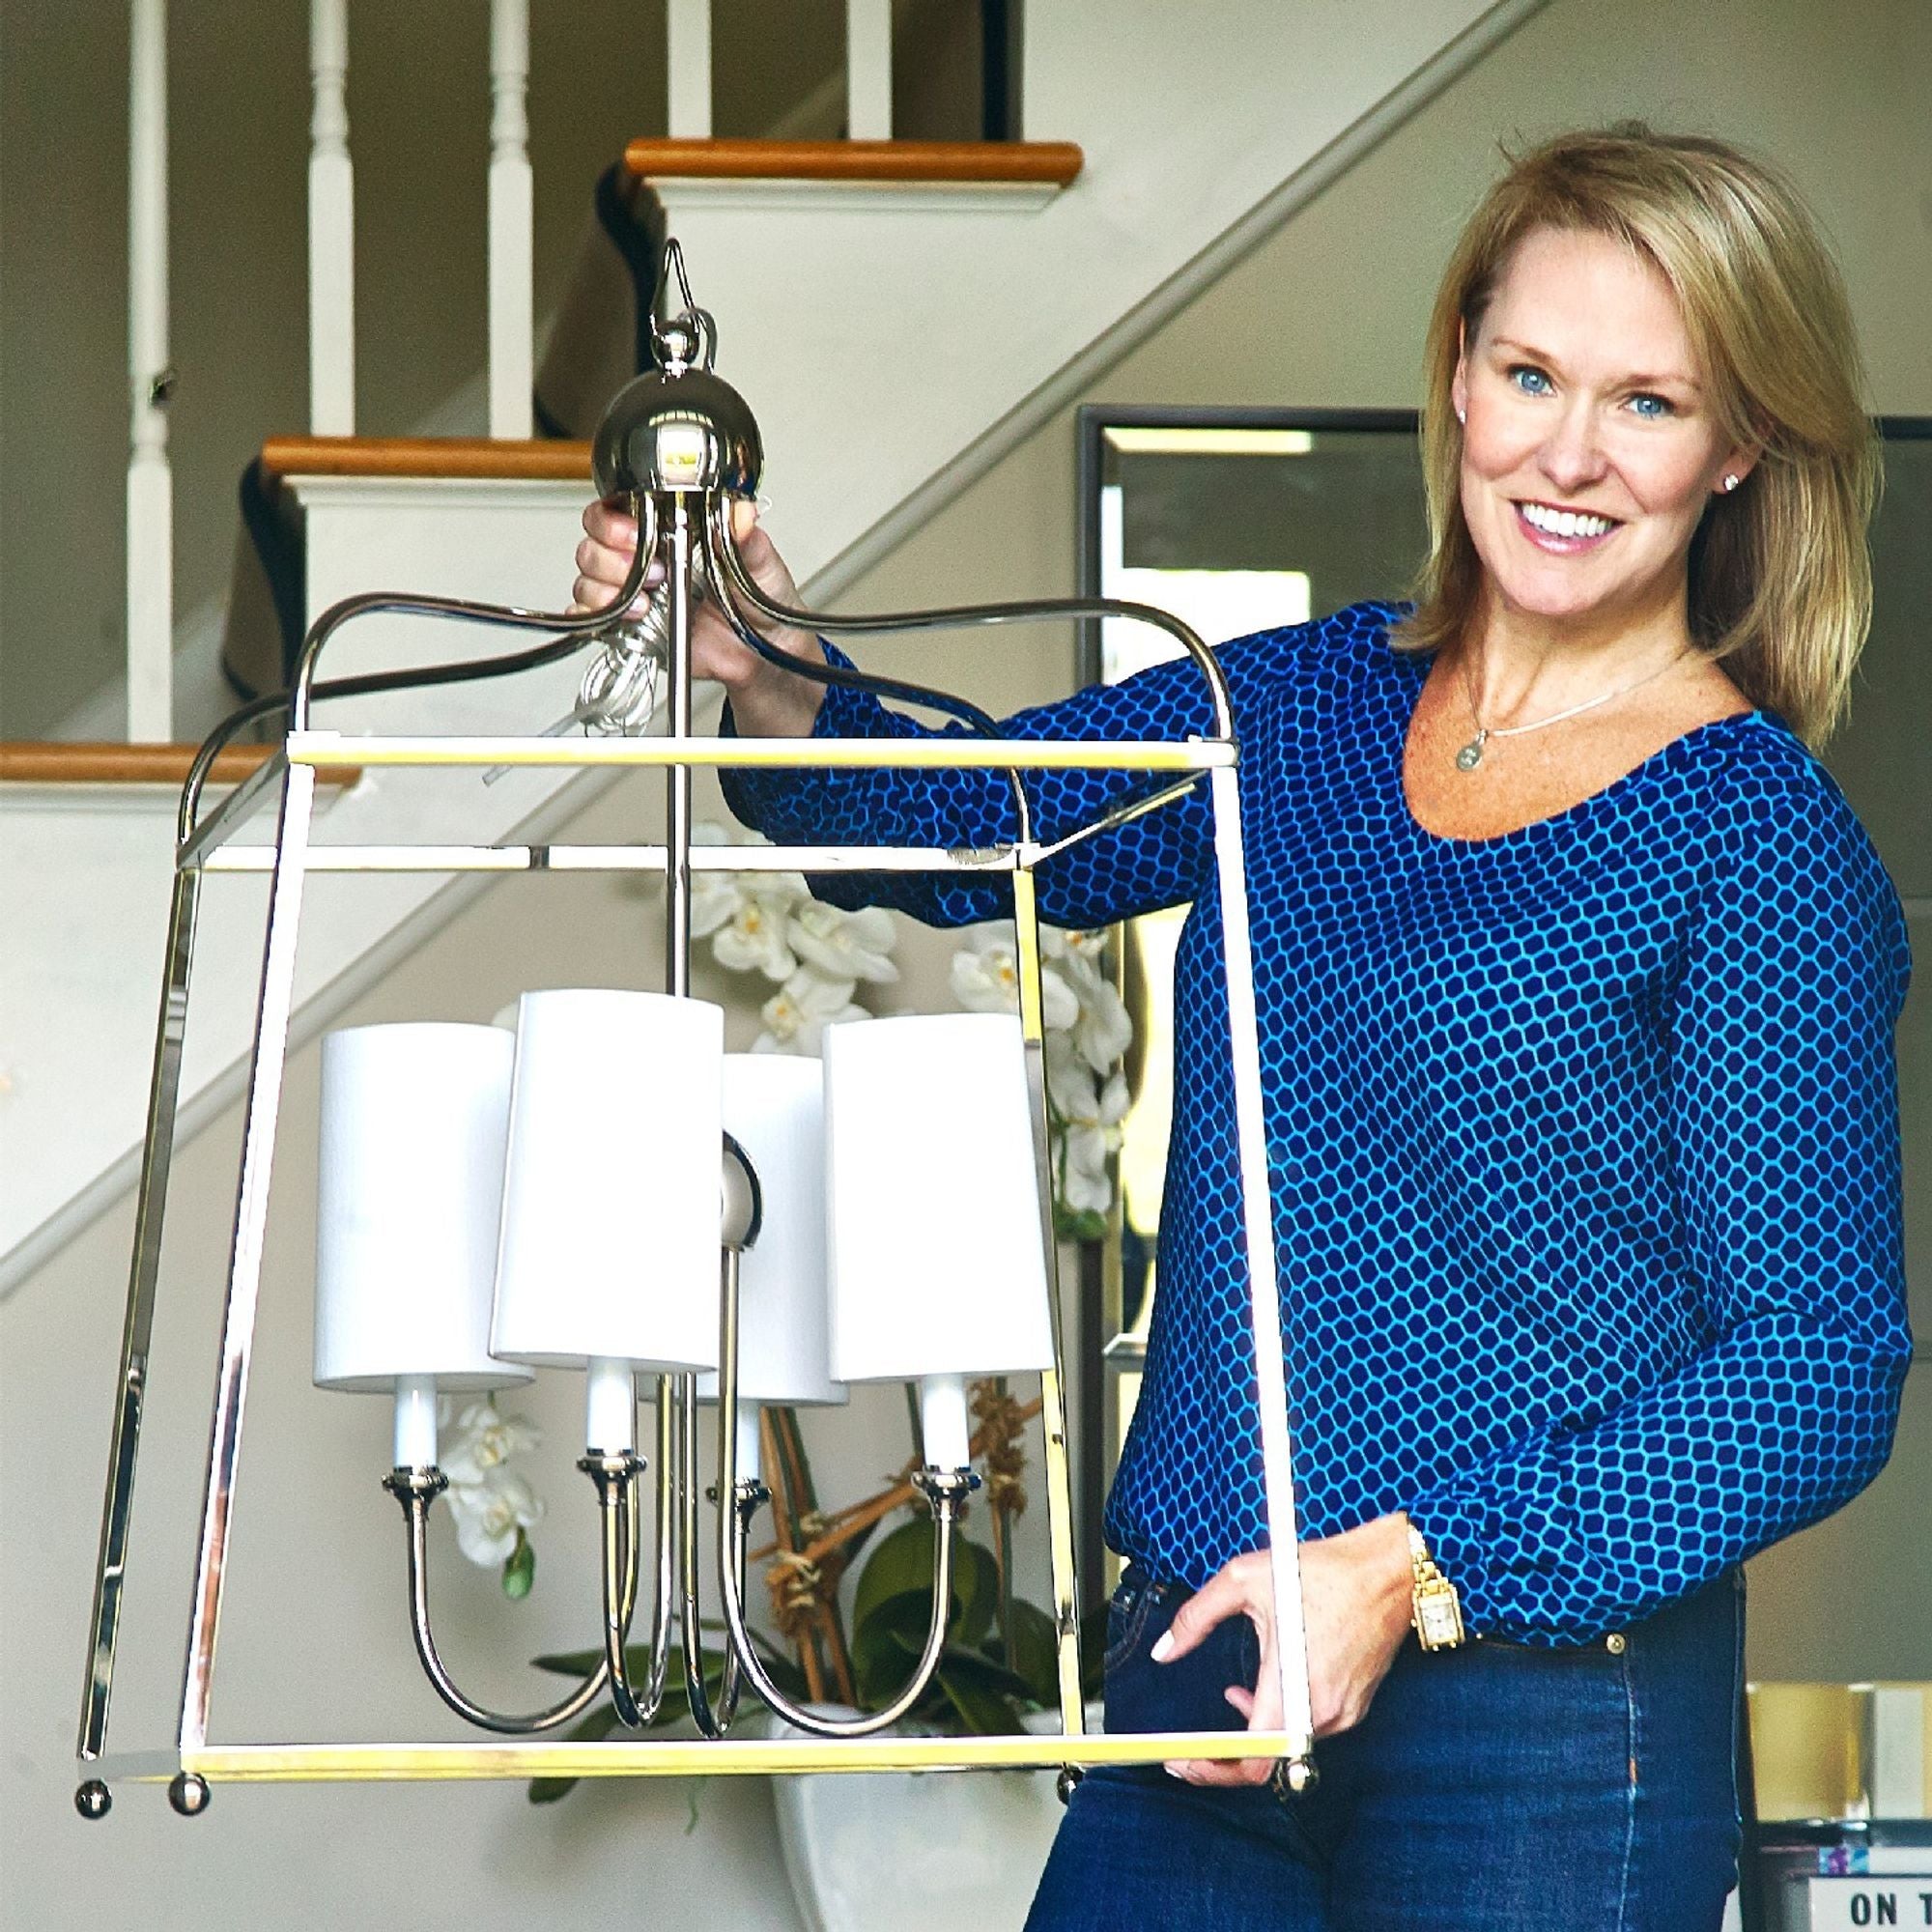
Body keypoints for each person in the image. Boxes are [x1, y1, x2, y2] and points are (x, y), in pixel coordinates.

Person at [574, 127, 1912, 1931]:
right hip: (1206, 1653)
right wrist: (760, 662)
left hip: (1541, 1725)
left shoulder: (1756, 839)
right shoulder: (1294, 709)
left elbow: (1819, 1369)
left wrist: (1411, 1572)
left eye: (1649, 402)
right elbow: (973, 822)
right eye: (1531, 374)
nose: (1569, 453)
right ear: (1461, 375)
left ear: (1737, 444)